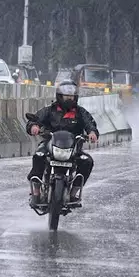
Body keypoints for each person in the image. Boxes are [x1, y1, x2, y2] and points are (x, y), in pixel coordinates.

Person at [26, 80, 99, 208]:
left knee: (87, 161)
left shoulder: (80, 112)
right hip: (50, 145)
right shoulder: (50, 110)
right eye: (66, 96)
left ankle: (74, 192)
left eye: (71, 96)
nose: (69, 99)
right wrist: (34, 126)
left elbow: (90, 124)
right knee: (38, 156)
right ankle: (36, 191)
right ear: (60, 96)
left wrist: (92, 133)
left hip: (73, 148)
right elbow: (35, 120)